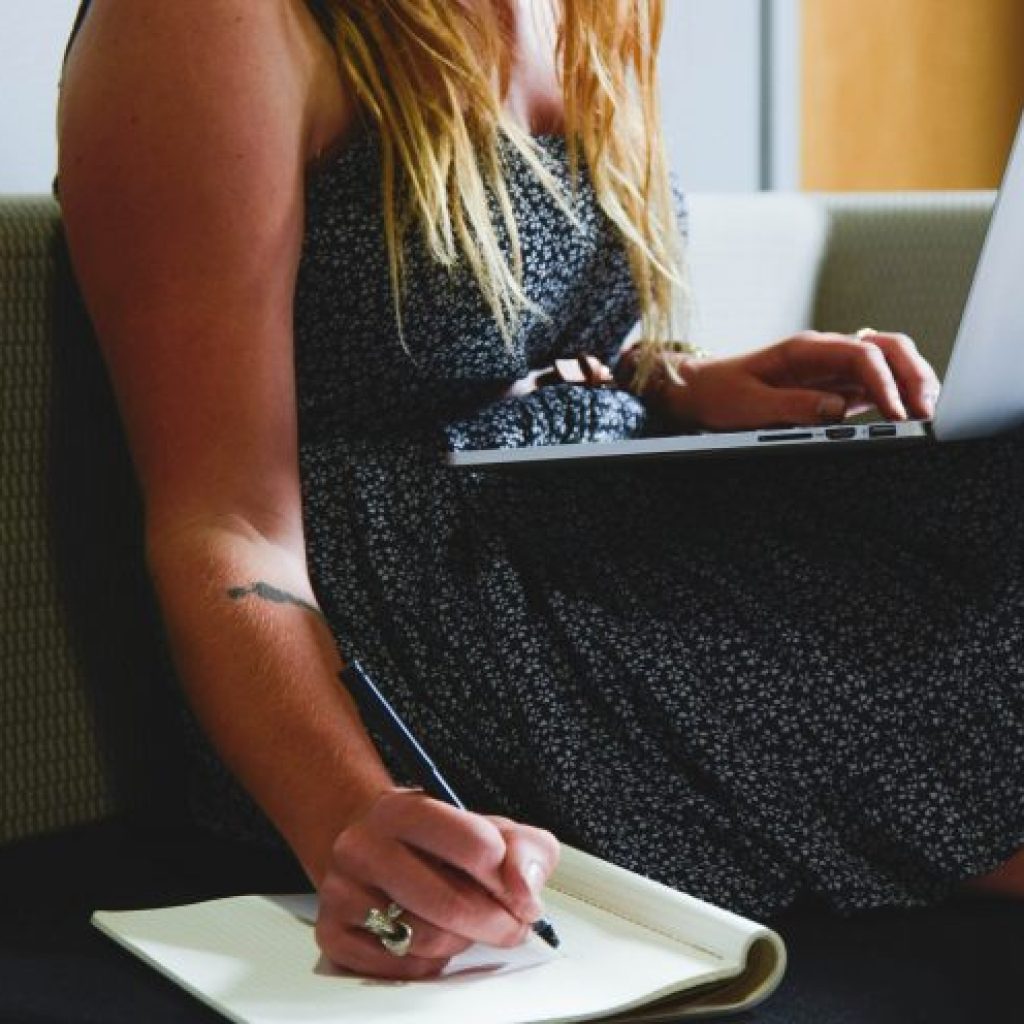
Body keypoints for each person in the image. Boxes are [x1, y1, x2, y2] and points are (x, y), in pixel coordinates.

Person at [56, 0, 1023, 982]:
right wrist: (350, 814)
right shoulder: (204, 21)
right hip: (412, 611)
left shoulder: (595, 13)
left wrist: (674, 382)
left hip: (584, 518)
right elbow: (224, 523)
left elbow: (504, 340)